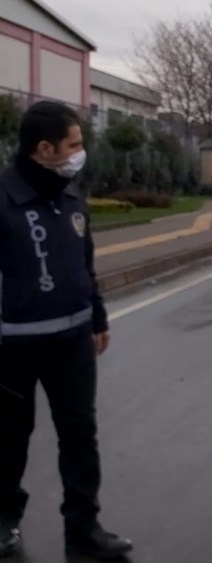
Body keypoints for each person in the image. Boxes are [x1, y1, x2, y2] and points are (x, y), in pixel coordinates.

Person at [0, 101, 132, 559]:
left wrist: (97, 316)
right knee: (9, 438)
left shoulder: (70, 196)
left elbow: (84, 263)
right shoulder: (4, 198)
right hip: (12, 344)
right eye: (73, 145)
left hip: (72, 342)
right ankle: (4, 519)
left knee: (80, 437)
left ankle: (83, 527)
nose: (80, 152)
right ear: (44, 148)